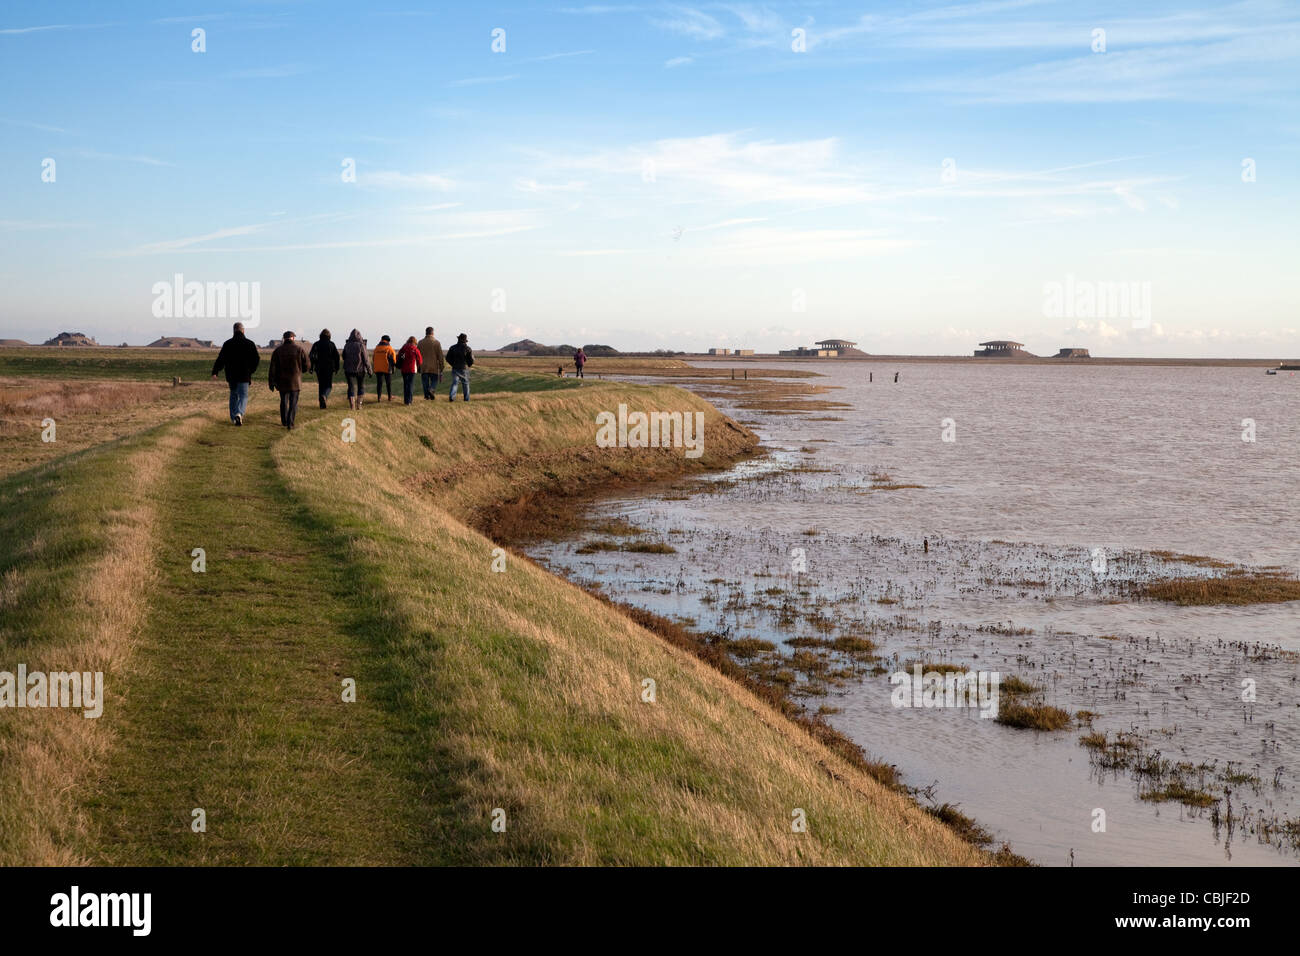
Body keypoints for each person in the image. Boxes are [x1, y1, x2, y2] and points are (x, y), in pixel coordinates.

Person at [210, 321, 260, 425]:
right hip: (244, 375)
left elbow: (221, 359)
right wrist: (251, 370)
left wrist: (215, 371)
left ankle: (233, 418)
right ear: (243, 330)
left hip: (231, 375)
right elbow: (256, 359)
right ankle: (239, 413)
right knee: (243, 396)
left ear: (233, 331)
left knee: (233, 395)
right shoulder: (249, 343)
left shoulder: (228, 343)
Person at [268, 331, 309, 429]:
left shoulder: (277, 351)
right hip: (295, 380)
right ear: (293, 338)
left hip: (281, 381)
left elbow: (272, 368)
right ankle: (290, 423)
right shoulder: (299, 349)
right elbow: (307, 364)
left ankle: (284, 421)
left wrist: (271, 382)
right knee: (293, 402)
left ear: (284, 338)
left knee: (283, 401)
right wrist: (301, 371)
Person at [308, 329, 340, 409]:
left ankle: (322, 404)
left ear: (320, 335)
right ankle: (324, 396)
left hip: (319, 367)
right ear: (329, 336)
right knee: (328, 386)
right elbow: (337, 357)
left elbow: (311, 357)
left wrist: (311, 368)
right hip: (329, 368)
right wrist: (337, 367)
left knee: (321, 385)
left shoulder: (316, 344)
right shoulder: (331, 344)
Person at [342, 329, 371, 409]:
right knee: (360, 386)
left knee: (351, 387)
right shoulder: (361, 345)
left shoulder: (347, 345)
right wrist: (369, 370)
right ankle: (359, 404)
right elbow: (366, 359)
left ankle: (352, 405)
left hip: (348, 369)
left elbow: (344, 356)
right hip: (360, 369)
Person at [417, 326, 444, 400]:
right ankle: (431, 389)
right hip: (433, 366)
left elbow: (417, 356)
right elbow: (440, 356)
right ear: (433, 333)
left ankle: (426, 396)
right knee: (434, 380)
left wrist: (418, 366)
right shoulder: (437, 343)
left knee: (425, 382)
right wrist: (441, 367)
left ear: (426, 333)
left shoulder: (420, 342)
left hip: (423, 366)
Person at [446, 333, 473, 402]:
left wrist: (453, 364)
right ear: (465, 341)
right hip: (464, 368)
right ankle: (466, 399)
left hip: (455, 368)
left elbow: (447, 358)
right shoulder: (468, 348)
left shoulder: (452, 347)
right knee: (465, 383)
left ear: (458, 339)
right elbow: (471, 360)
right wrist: (469, 365)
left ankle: (452, 397)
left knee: (455, 383)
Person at [396, 336, 423, 406]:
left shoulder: (404, 348)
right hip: (412, 369)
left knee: (406, 385)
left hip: (404, 369)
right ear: (415, 342)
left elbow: (398, 356)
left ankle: (405, 400)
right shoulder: (415, 349)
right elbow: (420, 360)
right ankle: (409, 401)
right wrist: (418, 364)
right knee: (410, 385)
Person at [373, 335, 398, 402]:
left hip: (378, 368)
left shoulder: (376, 348)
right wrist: (394, 365)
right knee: (388, 383)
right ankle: (389, 397)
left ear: (381, 339)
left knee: (379, 383)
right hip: (387, 368)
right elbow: (394, 359)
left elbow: (373, 358)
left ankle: (379, 398)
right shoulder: (389, 348)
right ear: (388, 341)